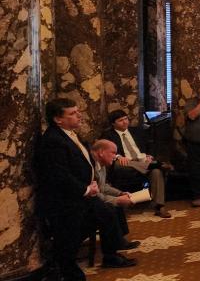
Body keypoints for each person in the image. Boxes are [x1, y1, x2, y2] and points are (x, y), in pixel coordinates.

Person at [36, 98, 137, 279]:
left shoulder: (70, 133)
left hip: (85, 193)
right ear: (58, 119)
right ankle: (65, 269)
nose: (79, 115)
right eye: (73, 113)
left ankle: (110, 256)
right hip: (69, 199)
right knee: (69, 237)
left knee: (107, 214)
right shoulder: (53, 140)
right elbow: (60, 174)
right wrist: (85, 189)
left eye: (77, 111)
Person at [101, 109, 171, 218]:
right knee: (123, 164)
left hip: (141, 161)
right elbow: (105, 151)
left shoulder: (136, 131)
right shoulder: (108, 135)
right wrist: (118, 156)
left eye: (126, 119)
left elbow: (149, 145)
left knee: (156, 171)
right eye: (120, 120)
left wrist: (148, 155)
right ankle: (154, 165)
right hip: (124, 164)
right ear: (113, 123)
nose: (125, 122)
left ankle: (159, 206)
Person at [90, 140, 138, 240]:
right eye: (113, 153)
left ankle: (121, 239)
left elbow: (103, 187)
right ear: (101, 152)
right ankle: (114, 246)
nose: (115, 156)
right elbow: (95, 194)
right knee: (112, 206)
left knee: (117, 203)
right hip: (88, 202)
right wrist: (116, 200)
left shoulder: (102, 165)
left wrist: (120, 193)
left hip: (97, 198)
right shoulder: (90, 166)